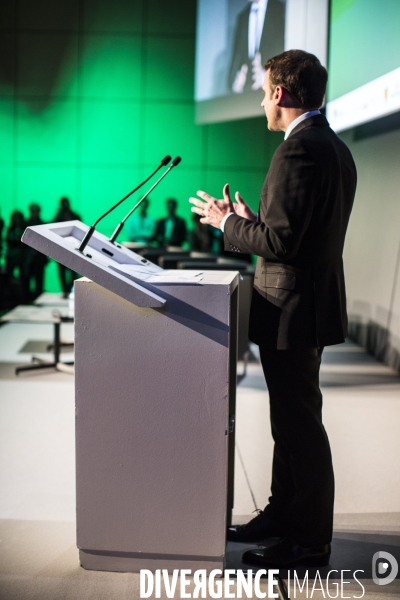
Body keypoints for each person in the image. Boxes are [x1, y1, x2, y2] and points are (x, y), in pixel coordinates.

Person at [190, 49, 357, 569]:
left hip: (291, 308)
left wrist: (224, 223)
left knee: (299, 428)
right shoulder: (332, 147)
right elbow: (295, 232)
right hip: (305, 307)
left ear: (281, 93)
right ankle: (282, 517)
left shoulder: (297, 151)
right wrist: (251, 220)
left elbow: (282, 243)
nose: (262, 101)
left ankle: (307, 542)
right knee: (291, 423)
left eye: (264, 92)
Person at [228, 0, 285, 94]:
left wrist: (266, 76)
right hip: (246, 87)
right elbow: (236, 54)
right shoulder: (242, 16)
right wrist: (235, 85)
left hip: (274, 86)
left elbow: (282, 49)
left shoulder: (279, 9)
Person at [53, 197, 81, 297]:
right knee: (62, 272)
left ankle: (72, 290)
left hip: (73, 247)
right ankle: (64, 290)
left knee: (74, 271)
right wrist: (59, 214)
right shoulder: (58, 217)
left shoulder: (75, 215)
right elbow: (52, 228)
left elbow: (81, 229)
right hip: (60, 248)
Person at [22, 203, 48, 301]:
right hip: (27, 257)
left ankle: (38, 298)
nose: (35, 213)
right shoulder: (25, 224)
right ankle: (26, 298)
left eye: (36, 211)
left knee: (39, 280)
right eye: (33, 211)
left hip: (39, 257)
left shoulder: (42, 224)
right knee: (26, 279)